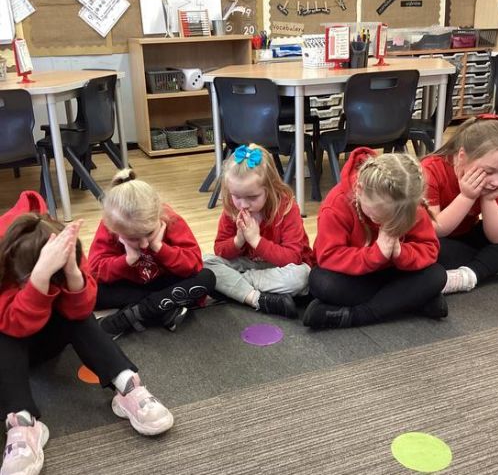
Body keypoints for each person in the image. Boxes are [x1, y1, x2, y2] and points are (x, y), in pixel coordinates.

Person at [0, 201, 174, 475]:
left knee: (78, 315)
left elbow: (81, 309)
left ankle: (128, 386)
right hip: (12, 342)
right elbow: (14, 324)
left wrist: (71, 272)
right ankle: (21, 422)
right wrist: (39, 278)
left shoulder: (63, 247)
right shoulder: (6, 259)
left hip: (49, 336)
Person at [304, 147, 448, 330]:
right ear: (359, 189)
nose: (384, 225)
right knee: (320, 282)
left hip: (394, 272)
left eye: (395, 221)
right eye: (377, 218)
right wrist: (375, 254)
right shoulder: (336, 205)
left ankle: (357, 315)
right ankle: (411, 302)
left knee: (436, 275)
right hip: (356, 277)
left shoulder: (408, 203)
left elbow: (429, 248)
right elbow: (328, 256)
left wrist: (400, 252)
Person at [89, 169, 216, 337]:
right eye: (133, 238)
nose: (143, 244)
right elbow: (95, 270)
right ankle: (163, 310)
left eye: (149, 233)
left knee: (207, 278)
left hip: (165, 282)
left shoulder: (170, 219)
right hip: (130, 285)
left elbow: (194, 264)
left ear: (158, 217)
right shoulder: (110, 224)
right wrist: (127, 260)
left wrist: (160, 248)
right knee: (89, 291)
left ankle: (128, 316)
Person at [203, 144, 313, 318]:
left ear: (270, 189)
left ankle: (232, 287)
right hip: (250, 264)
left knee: (302, 277)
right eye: (237, 196)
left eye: (253, 197)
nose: (244, 204)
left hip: (281, 268)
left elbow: (293, 258)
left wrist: (256, 241)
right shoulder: (232, 209)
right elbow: (220, 250)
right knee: (204, 262)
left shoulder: (287, 208)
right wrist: (238, 240)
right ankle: (256, 298)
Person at [421, 115, 498, 294]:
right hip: (435, 239)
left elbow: (497, 238)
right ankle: (481, 266)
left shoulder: (494, 183)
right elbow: (432, 230)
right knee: (431, 252)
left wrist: (487, 199)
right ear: (462, 156)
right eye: (489, 171)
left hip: (466, 236)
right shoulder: (431, 170)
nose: (496, 181)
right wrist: (467, 197)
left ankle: (468, 275)